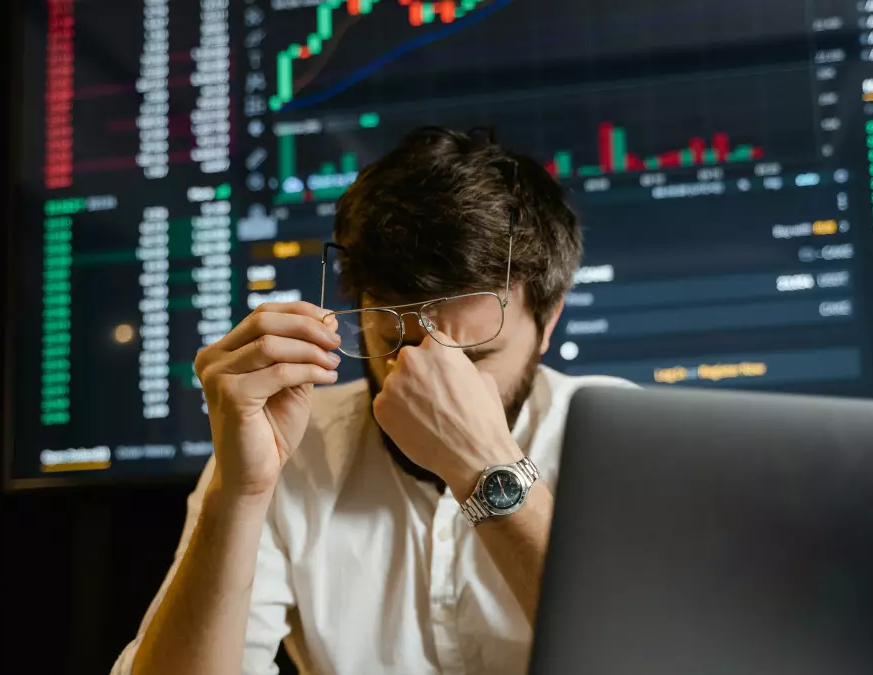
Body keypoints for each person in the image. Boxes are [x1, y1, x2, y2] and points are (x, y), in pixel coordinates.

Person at [113, 127, 634, 675]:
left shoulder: (625, 447)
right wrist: (239, 496)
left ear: (548, 322)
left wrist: (488, 469)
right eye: (396, 344)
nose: (430, 388)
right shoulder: (286, 444)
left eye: (475, 358)